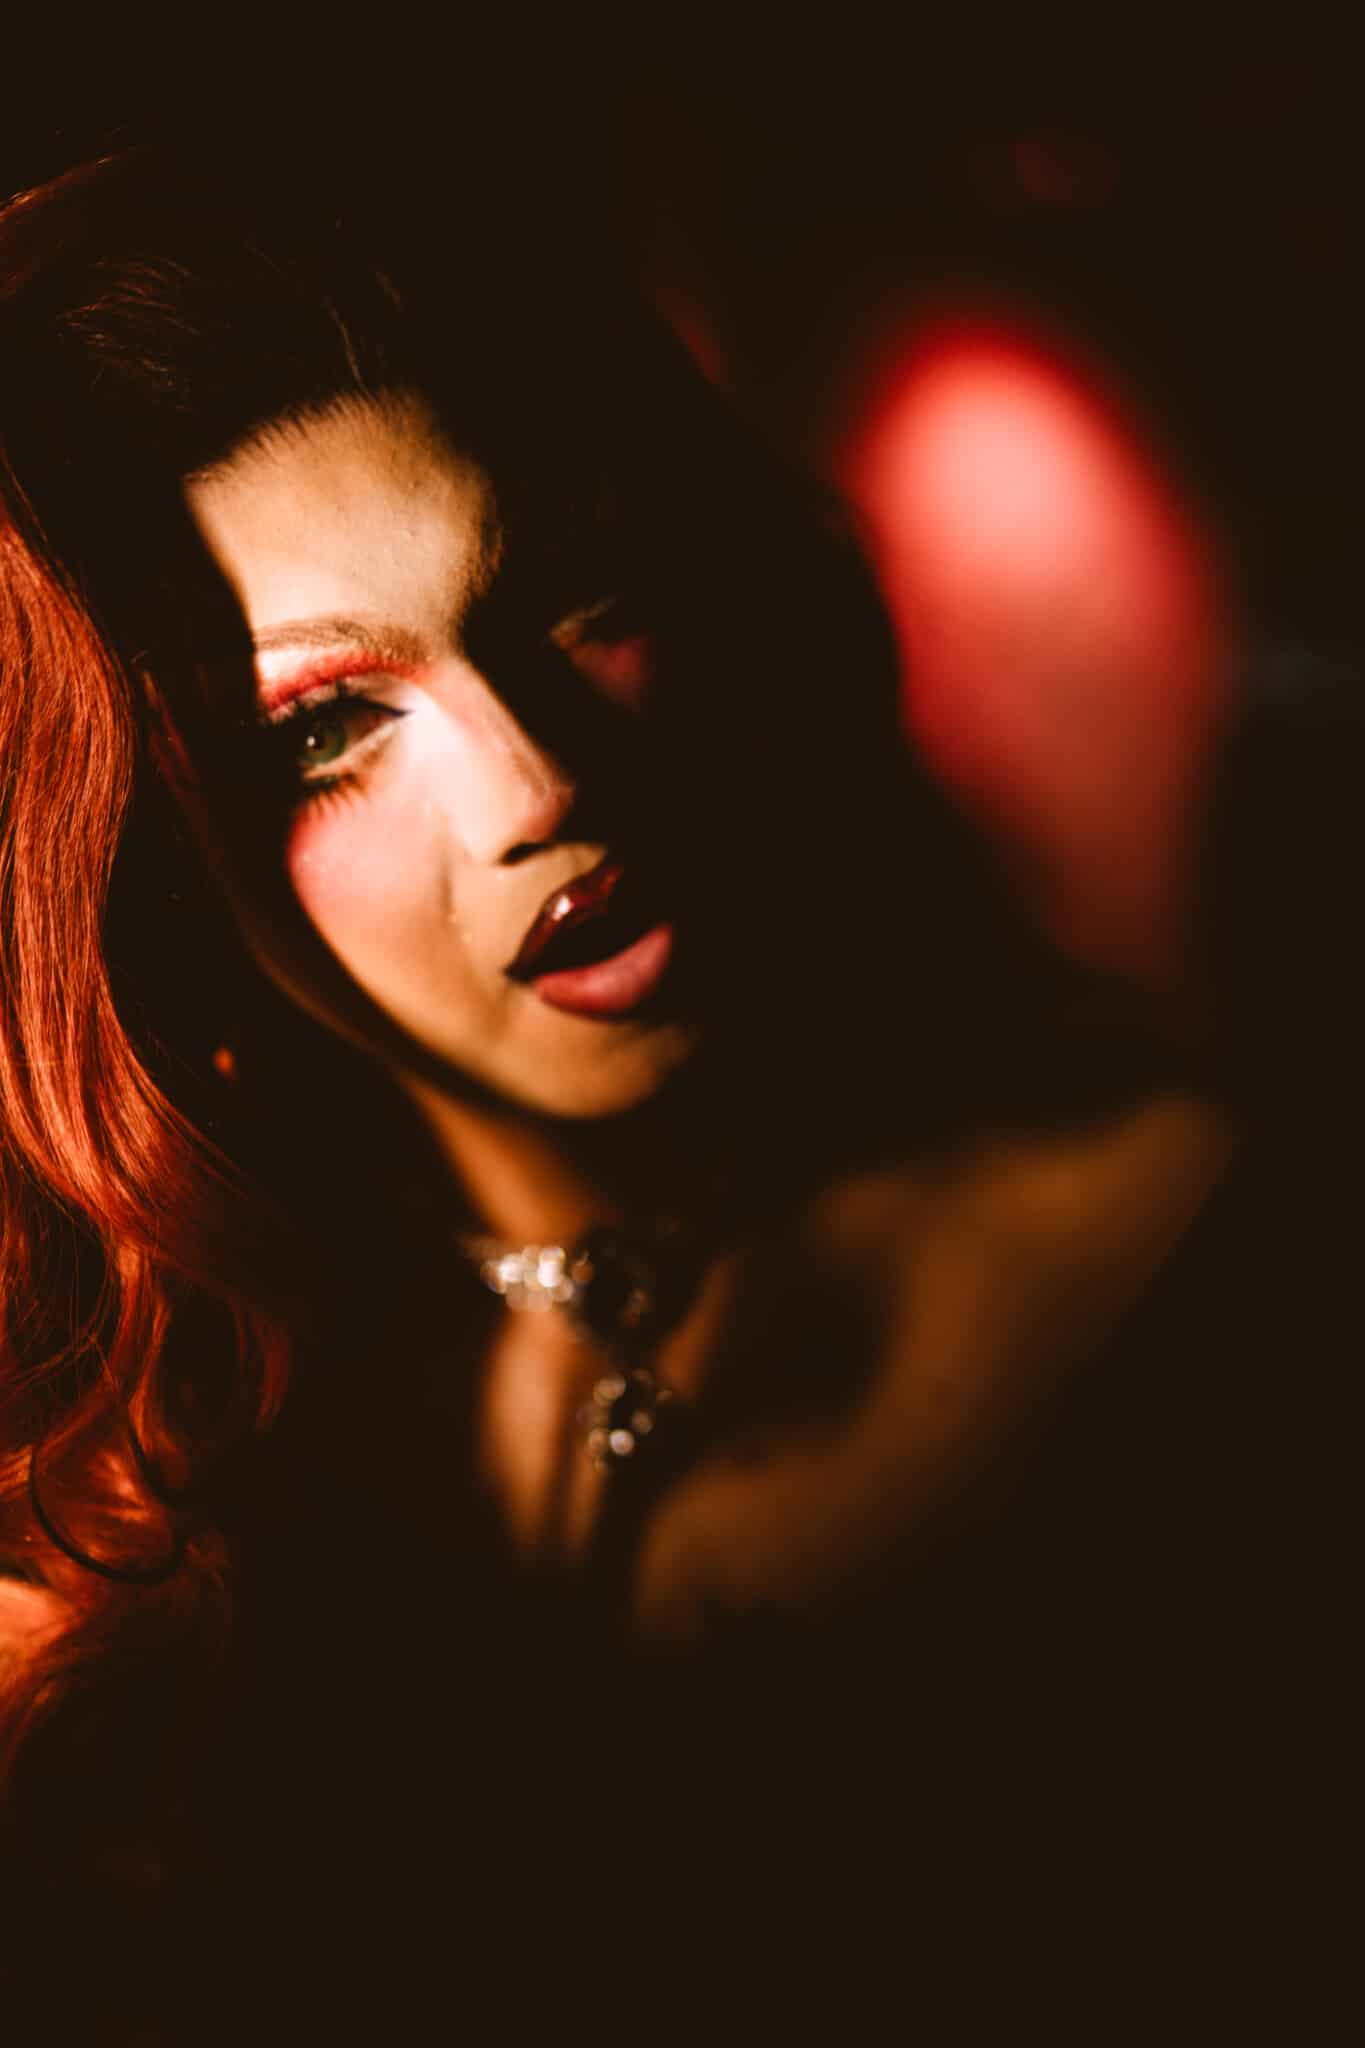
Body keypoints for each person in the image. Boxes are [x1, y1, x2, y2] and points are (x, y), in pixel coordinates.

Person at [0, 137, 1355, 2021]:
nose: (538, 781)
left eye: (566, 594)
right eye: (325, 727)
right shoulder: (147, 1474)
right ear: (148, 864)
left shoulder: (1219, 1254)